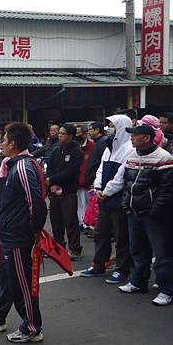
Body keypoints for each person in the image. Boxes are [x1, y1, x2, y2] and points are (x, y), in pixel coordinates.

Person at [0, 122, 47, 343]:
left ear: (13, 144)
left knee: (21, 282)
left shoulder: (23, 168)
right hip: (8, 231)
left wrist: (33, 232)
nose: (1, 144)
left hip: (19, 236)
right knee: (7, 278)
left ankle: (32, 327)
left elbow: (36, 203)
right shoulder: (11, 164)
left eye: (4, 140)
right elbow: (10, 202)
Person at [114, 124, 173, 305]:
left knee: (162, 254)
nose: (131, 138)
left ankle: (167, 289)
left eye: (135, 135)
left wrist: (155, 211)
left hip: (154, 216)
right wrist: (126, 204)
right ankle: (138, 282)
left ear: (146, 138)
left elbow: (167, 190)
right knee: (138, 251)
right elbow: (126, 184)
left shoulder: (164, 158)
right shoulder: (132, 156)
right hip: (134, 212)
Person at [81, 115, 134, 283]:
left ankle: (122, 269)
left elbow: (121, 176)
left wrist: (107, 191)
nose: (109, 128)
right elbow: (100, 170)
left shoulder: (130, 148)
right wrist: (97, 187)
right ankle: (99, 264)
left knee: (121, 236)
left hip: (118, 198)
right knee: (100, 233)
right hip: (104, 197)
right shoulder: (108, 147)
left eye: (112, 125)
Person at [45, 124, 84, 260]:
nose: (59, 135)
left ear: (70, 136)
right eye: (59, 133)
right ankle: (58, 246)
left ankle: (75, 249)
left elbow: (71, 172)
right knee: (56, 220)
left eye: (62, 133)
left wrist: (53, 179)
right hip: (54, 190)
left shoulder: (76, 152)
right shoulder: (56, 150)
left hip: (68, 190)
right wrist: (51, 182)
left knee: (70, 221)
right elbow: (50, 167)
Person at [75, 125, 95, 234]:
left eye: (79, 133)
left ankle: (86, 223)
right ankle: (80, 222)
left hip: (87, 179)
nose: (77, 135)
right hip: (76, 179)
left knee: (87, 202)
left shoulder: (92, 146)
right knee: (79, 202)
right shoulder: (75, 145)